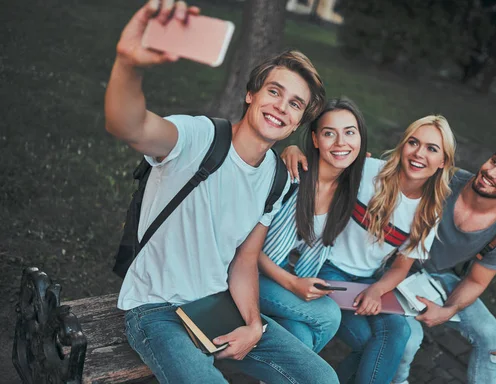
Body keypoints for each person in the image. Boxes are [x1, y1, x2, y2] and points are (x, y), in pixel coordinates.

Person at [104, 1, 339, 383]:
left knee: (322, 378)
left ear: (298, 121)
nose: (281, 107)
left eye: (294, 104)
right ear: (251, 94)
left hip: (218, 306)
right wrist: (127, 65)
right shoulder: (201, 137)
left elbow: (245, 259)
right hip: (156, 309)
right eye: (274, 92)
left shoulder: (277, 178)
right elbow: (129, 126)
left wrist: (252, 325)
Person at [282, 115, 457, 384]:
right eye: (414, 142)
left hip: (369, 280)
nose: (419, 153)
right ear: (403, 145)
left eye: (432, 149)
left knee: (398, 332)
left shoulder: (429, 211)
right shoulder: (366, 171)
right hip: (327, 269)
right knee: (372, 344)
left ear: (443, 161)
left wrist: (377, 289)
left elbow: (401, 265)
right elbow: (324, 162)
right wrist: (293, 149)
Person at [391, 140, 496, 384]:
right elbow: (390, 179)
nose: (491, 172)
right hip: (397, 265)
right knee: (408, 340)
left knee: (492, 338)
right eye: (494, 161)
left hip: (441, 278)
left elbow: (475, 280)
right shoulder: (444, 181)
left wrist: (448, 311)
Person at [258, 97, 368, 353]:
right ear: (316, 140)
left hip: (293, 276)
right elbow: (245, 249)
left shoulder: (350, 189)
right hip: (250, 273)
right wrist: (291, 284)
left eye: (349, 132)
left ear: (360, 138)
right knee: (328, 315)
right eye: (330, 133)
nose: (341, 143)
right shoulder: (290, 176)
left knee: (301, 340)